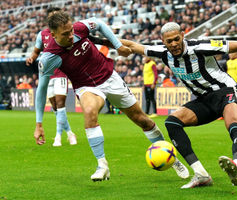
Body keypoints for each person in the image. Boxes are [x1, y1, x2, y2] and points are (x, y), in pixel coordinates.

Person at [118, 22, 237, 188]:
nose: (174, 44)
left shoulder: (201, 47)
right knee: (172, 122)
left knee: (234, 125)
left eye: (177, 39)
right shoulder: (162, 53)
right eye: (169, 41)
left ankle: (236, 166)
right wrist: (98, 39)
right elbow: (132, 45)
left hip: (224, 91)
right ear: (163, 41)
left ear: (183, 35)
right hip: (203, 100)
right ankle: (201, 174)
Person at [34, 12, 189, 182]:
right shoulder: (49, 57)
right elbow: (41, 89)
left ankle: (171, 159)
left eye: (71, 30)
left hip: (110, 77)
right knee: (90, 111)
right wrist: (39, 123)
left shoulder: (79, 28)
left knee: (142, 120)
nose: (71, 35)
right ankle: (102, 165)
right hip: (87, 87)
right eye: (65, 34)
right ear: (53, 34)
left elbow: (99, 24)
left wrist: (117, 44)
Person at [26, 7, 77, 146]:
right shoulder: (42, 35)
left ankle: (58, 136)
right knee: (54, 106)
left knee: (60, 104)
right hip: (48, 74)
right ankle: (70, 133)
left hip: (61, 73)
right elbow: (36, 51)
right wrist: (31, 58)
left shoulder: (66, 33)